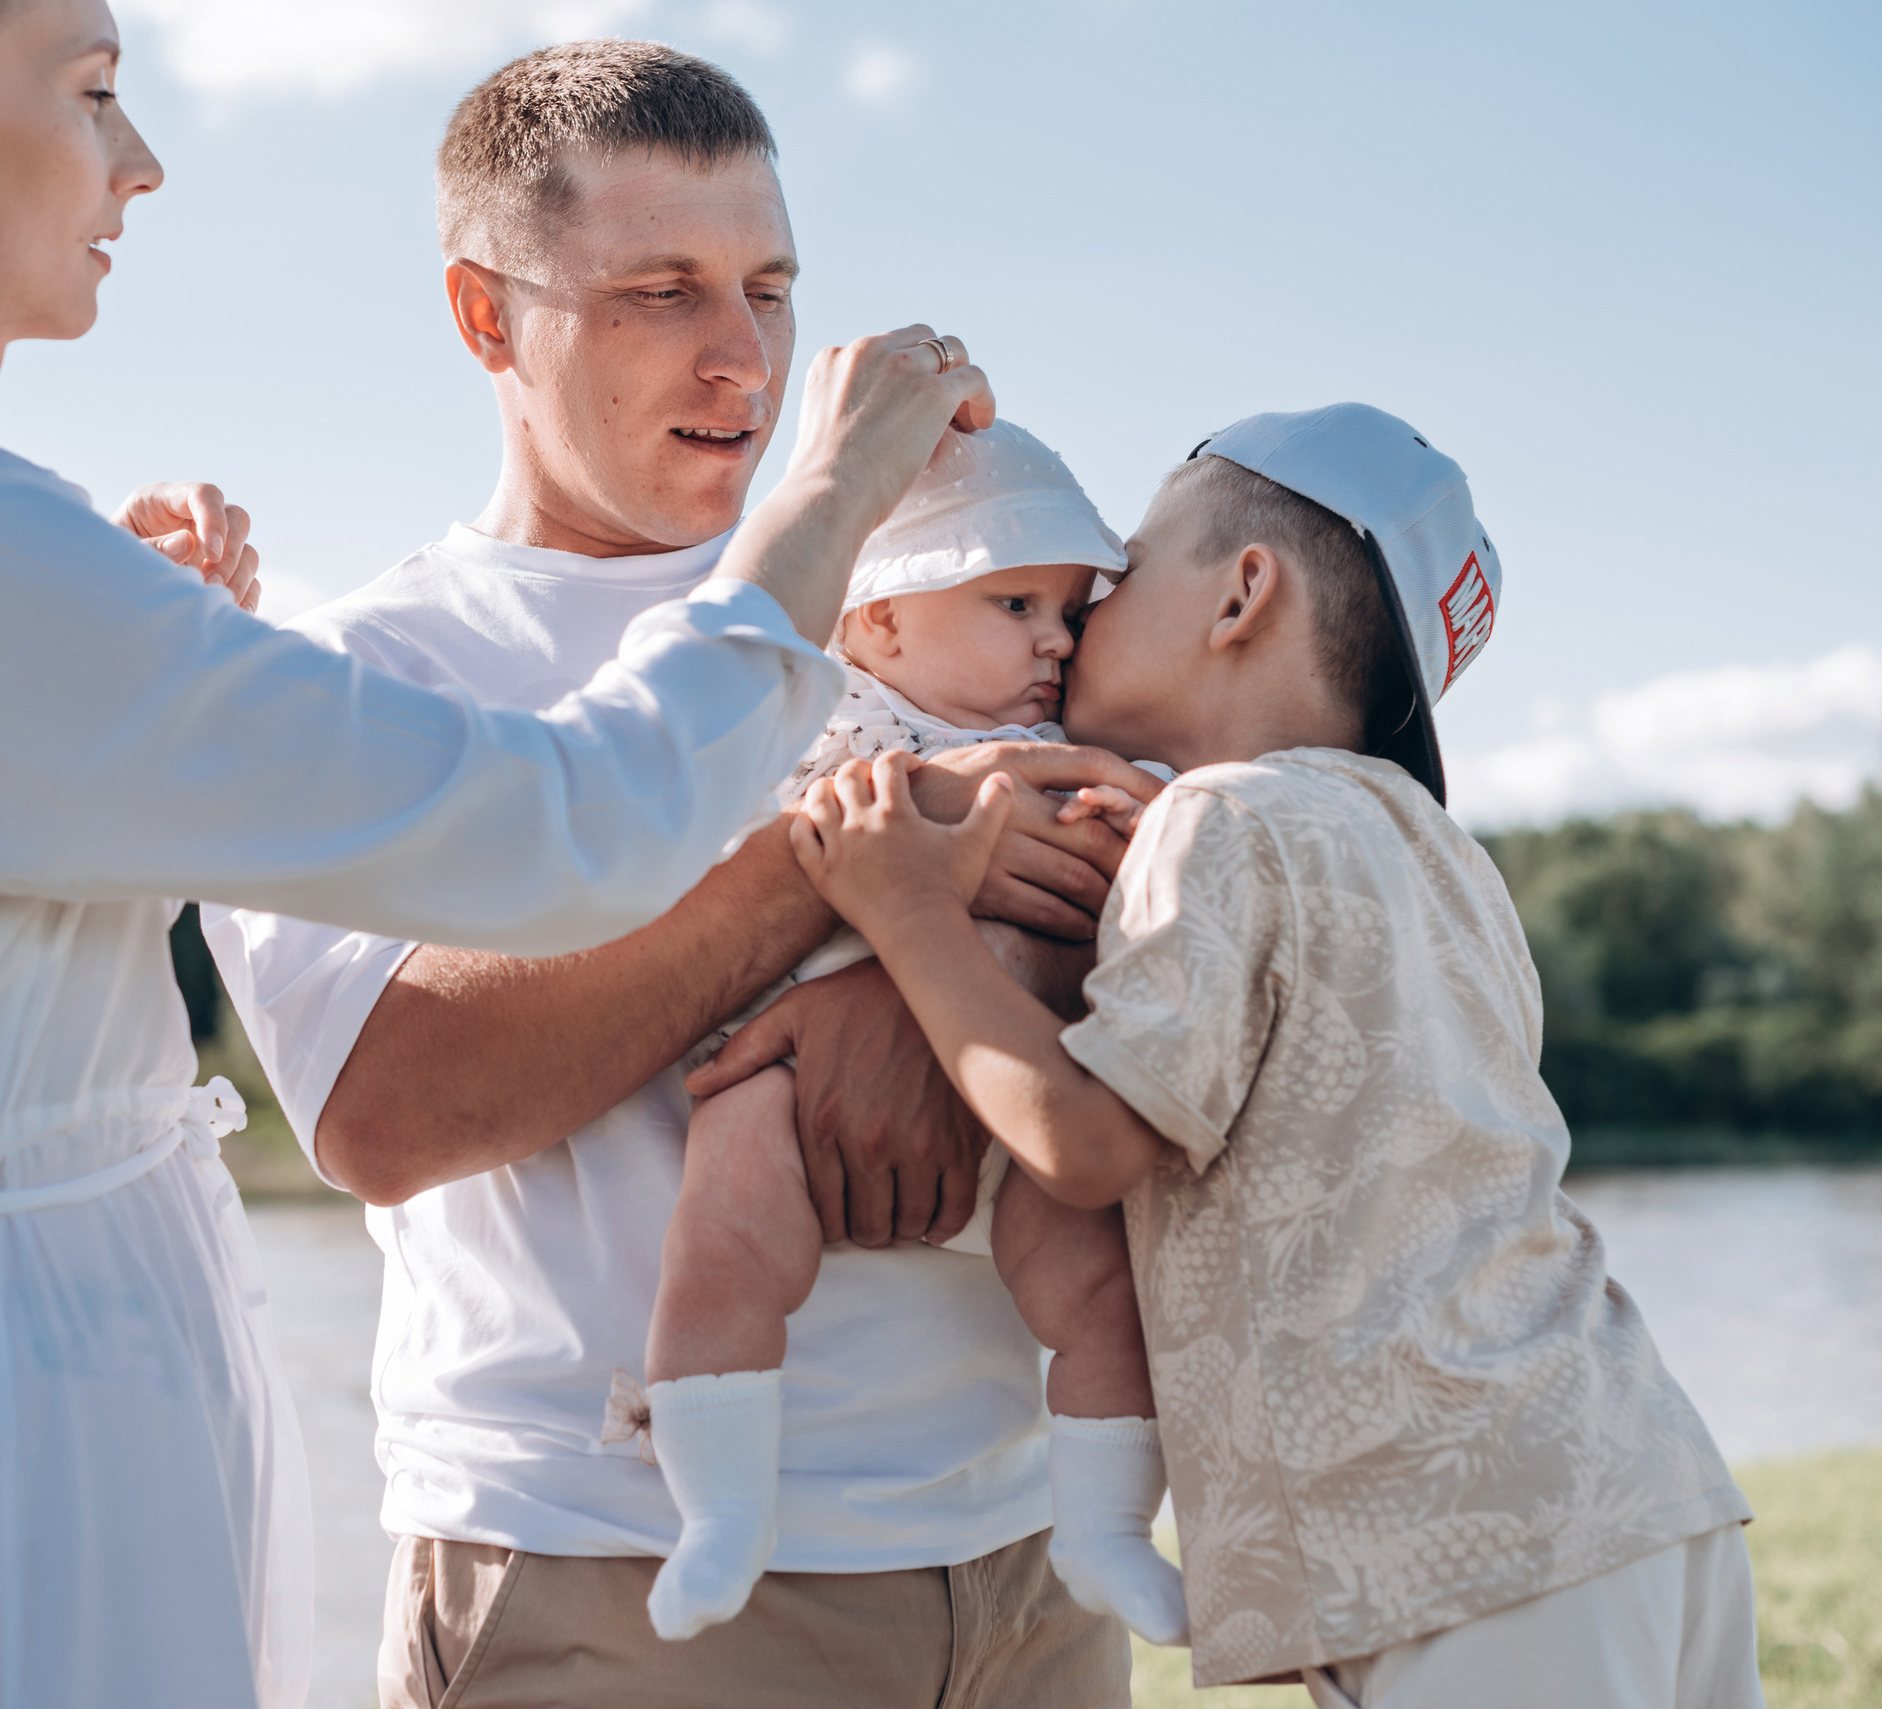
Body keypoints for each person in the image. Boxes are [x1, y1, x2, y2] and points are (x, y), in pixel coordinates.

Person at [0, 2, 991, 1704]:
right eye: (93, 93)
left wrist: (147, 651)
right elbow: (576, 822)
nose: (146, 160)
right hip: (0, 1418)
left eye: (766, 286)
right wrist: (823, 506)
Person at [201, 42, 1159, 1709]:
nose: (740, 355)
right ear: (488, 317)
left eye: (770, 287)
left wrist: (917, 972)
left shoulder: (942, 593)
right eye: (659, 290)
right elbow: (387, 1108)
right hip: (616, 1579)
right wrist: (833, 870)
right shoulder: (354, 674)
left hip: (1026, 1566)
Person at [783, 405, 1766, 1709]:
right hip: (1629, 1475)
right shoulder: (1435, 855)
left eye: (1126, 568)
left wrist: (905, 911)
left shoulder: (1218, 824)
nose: (1080, 612)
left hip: (1462, 1548)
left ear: (1244, 593)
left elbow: (1082, 1145)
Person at [633, 420, 1185, 1649]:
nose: (1054, 635)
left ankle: (1102, 1529)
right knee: (720, 1247)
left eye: (1067, 608)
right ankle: (720, 1511)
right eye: (1011, 601)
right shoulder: (815, 719)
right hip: (776, 1072)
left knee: (1099, 1287)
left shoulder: (1072, 753)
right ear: (878, 619)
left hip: (1011, 1078)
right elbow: (729, 857)